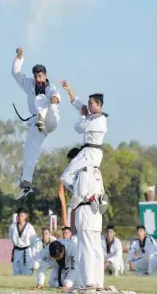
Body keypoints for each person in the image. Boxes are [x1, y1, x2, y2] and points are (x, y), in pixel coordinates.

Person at [11, 47, 61, 200]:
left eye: (40, 76)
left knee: (42, 100)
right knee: (29, 150)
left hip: (50, 119)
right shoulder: (30, 84)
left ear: (45, 75)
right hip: (37, 124)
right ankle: (27, 185)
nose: (38, 79)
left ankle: (41, 117)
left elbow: (56, 97)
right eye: (36, 77)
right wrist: (19, 57)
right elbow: (16, 74)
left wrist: (53, 100)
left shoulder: (51, 87)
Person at [59, 81, 108, 193]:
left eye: (91, 104)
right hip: (91, 153)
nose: (89, 106)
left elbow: (79, 128)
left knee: (65, 177)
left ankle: (85, 196)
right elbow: (77, 104)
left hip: (89, 153)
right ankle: (95, 195)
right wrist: (69, 89)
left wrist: (82, 115)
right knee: (80, 177)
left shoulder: (99, 119)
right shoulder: (92, 116)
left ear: (99, 105)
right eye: (88, 104)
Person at [71, 162, 106, 290]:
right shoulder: (97, 171)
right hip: (97, 214)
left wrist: (73, 205)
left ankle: (88, 281)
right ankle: (99, 282)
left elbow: (80, 193)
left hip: (86, 213)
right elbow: (103, 193)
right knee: (96, 248)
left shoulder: (84, 171)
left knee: (86, 248)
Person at [9, 207, 37, 275]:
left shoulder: (30, 227)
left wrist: (34, 255)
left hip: (27, 251)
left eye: (22, 216)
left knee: (27, 271)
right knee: (16, 270)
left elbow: (33, 242)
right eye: (19, 216)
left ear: (25, 216)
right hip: (16, 250)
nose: (20, 217)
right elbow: (11, 238)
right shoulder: (12, 226)